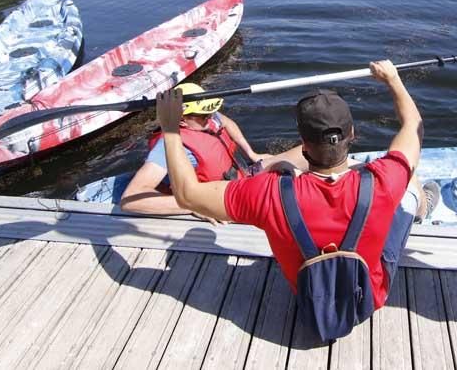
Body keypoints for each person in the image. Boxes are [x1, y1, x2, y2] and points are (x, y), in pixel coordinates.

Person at [157, 60, 439, 340]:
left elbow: (187, 194)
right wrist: (392, 79)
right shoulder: (383, 179)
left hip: (309, 299)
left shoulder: (266, 192)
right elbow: (413, 125)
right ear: (352, 134)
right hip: (369, 299)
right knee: (410, 185)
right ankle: (421, 205)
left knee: (286, 175)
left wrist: (170, 129)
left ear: (302, 145)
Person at [120, 83, 303, 220]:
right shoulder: (167, 147)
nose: (210, 118)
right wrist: (193, 206)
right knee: (288, 203)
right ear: (181, 120)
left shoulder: (206, 118)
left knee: (307, 153)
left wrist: (252, 154)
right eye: (203, 116)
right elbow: (131, 200)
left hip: (242, 176)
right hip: (224, 199)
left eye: (210, 113)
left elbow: (226, 122)